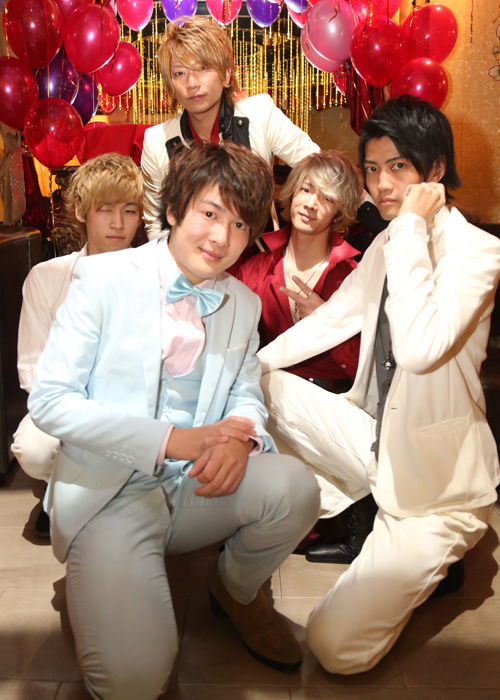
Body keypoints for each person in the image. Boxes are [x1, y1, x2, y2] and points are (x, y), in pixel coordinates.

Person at [28, 141, 320, 700]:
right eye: (209, 213)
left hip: (194, 488)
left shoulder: (242, 302)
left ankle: (234, 589)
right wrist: (171, 440)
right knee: (134, 680)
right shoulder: (104, 278)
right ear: (173, 209)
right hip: (111, 492)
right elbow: (51, 401)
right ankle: (105, 575)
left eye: (240, 224)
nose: (222, 237)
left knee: (295, 488)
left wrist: (240, 441)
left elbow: (244, 391)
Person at [258, 95, 500, 674]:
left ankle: (435, 557)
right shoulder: (391, 244)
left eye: (398, 166)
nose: (381, 184)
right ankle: (342, 523)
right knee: (263, 387)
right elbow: (331, 321)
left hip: (438, 490)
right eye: (372, 168)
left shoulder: (477, 253)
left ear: (434, 169)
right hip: (379, 445)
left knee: (334, 648)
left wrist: (411, 227)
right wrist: (242, 375)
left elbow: (419, 348)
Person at [230, 150, 364, 556]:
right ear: (290, 195)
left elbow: (365, 365)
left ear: (339, 211)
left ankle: (355, 514)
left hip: (334, 404)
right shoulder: (254, 268)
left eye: (327, 197)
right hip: (268, 409)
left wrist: (327, 320)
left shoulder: (353, 275)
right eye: (306, 189)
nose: (311, 203)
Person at [12, 153, 144, 536]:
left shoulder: (156, 277)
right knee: (34, 448)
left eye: (129, 210)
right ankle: (63, 488)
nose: (118, 223)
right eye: (105, 210)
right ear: (80, 211)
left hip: (135, 407)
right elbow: (32, 368)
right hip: (66, 404)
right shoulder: (47, 277)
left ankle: (100, 494)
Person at [141, 15, 319, 240]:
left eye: (202, 68)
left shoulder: (260, 113)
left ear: (226, 74)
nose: (191, 83)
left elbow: (318, 167)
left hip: (258, 255)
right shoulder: (156, 140)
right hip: (191, 259)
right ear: (170, 84)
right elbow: (157, 228)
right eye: (179, 73)